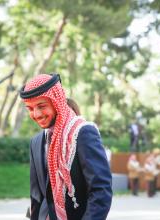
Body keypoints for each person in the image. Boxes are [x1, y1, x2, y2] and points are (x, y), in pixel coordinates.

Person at [19, 73, 112, 220]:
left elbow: (100, 191)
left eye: (41, 106)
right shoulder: (35, 142)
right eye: (30, 108)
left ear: (56, 102)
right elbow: (37, 196)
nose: (36, 114)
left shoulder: (83, 133)